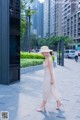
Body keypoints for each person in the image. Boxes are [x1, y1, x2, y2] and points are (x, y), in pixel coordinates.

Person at [37, 46, 62, 112]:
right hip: (46, 76)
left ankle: (42, 106)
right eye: (42, 52)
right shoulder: (46, 58)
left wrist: (52, 79)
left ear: (47, 52)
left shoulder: (49, 59)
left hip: (49, 77)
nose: (42, 53)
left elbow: (51, 70)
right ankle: (59, 102)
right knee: (52, 90)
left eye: (43, 52)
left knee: (46, 91)